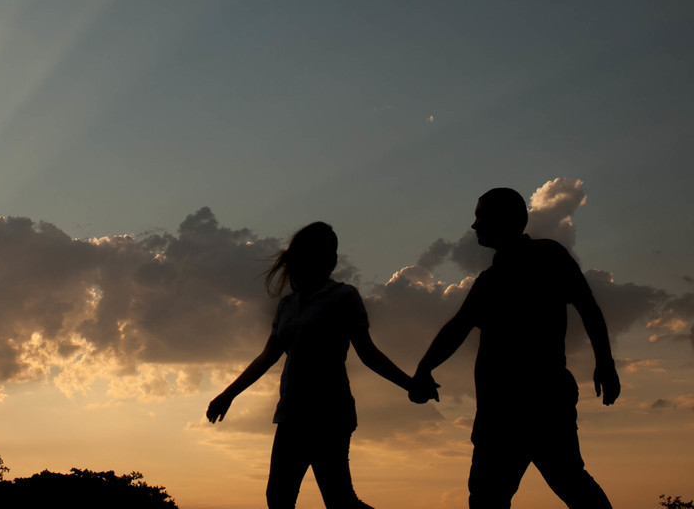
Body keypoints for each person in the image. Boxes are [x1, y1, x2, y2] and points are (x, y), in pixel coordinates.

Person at [409, 187, 619, 509]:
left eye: (481, 216)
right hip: (499, 411)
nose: (474, 225)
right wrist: (424, 368)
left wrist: (605, 363)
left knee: (567, 484)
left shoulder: (549, 257)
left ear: (505, 220)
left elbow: (588, 307)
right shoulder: (489, 280)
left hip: (538, 402)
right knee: (497, 496)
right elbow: (457, 328)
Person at [207, 221, 426, 508]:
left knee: (339, 500)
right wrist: (228, 395)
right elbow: (267, 357)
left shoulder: (343, 297)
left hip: (330, 414)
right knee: (278, 498)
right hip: (291, 414)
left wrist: (411, 385)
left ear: (330, 260)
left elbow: (368, 353)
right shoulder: (286, 306)